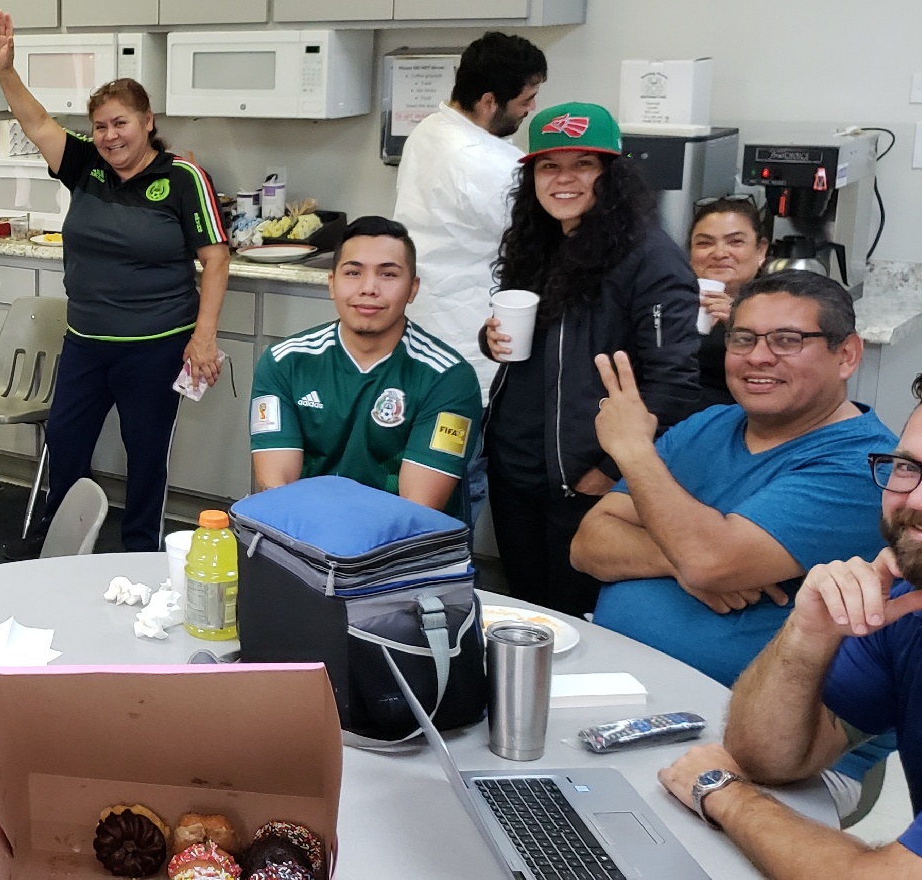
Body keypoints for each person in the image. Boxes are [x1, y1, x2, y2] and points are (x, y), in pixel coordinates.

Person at [574, 271, 897, 815]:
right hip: (629, 699)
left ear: (847, 356)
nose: (758, 357)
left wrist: (633, 451)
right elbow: (589, 543)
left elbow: (710, 561)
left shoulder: (864, 466)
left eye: (788, 340)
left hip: (771, 755)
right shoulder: (712, 424)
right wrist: (679, 562)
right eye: (743, 338)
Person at [651, 372, 922, 877]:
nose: (919, 501)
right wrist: (809, 633)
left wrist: (722, 794)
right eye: (910, 468)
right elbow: (766, 759)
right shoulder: (911, 604)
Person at [0, 11, 230, 555]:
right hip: (87, 343)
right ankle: (62, 545)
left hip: (155, 346)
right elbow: (36, 122)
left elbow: (215, 260)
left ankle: (143, 551)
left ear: (147, 121)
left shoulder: (181, 180)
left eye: (120, 123)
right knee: (66, 443)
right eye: (100, 126)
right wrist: (5, 70)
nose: (109, 135)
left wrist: (204, 336)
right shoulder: (84, 166)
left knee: (146, 455)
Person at [480, 102, 700, 616]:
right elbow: (550, 344)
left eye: (583, 164)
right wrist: (492, 337)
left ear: (612, 174)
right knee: (525, 612)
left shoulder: (651, 259)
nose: (564, 179)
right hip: (516, 466)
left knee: (575, 621)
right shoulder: (542, 242)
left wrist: (607, 470)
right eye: (549, 165)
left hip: (581, 478)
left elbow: (674, 386)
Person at [250, 216, 482, 515]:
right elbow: (275, 488)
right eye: (353, 272)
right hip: (306, 537)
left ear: (412, 289)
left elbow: (418, 510)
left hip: (401, 551)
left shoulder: (448, 377)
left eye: (387, 275)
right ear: (332, 284)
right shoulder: (284, 362)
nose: (369, 288)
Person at [393, 31, 546, 396]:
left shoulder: (429, 130)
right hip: (472, 338)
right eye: (527, 100)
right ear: (489, 101)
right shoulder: (491, 165)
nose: (531, 109)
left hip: (423, 326)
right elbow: (539, 243)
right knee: (464, 442)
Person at [690, 196, 771, 409]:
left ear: (761, 250)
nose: (719, 253)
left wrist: (739, 323)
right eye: (704, 243)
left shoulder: (778, 305)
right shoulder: (669, 298)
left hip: (745, 420)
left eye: (735, 242)